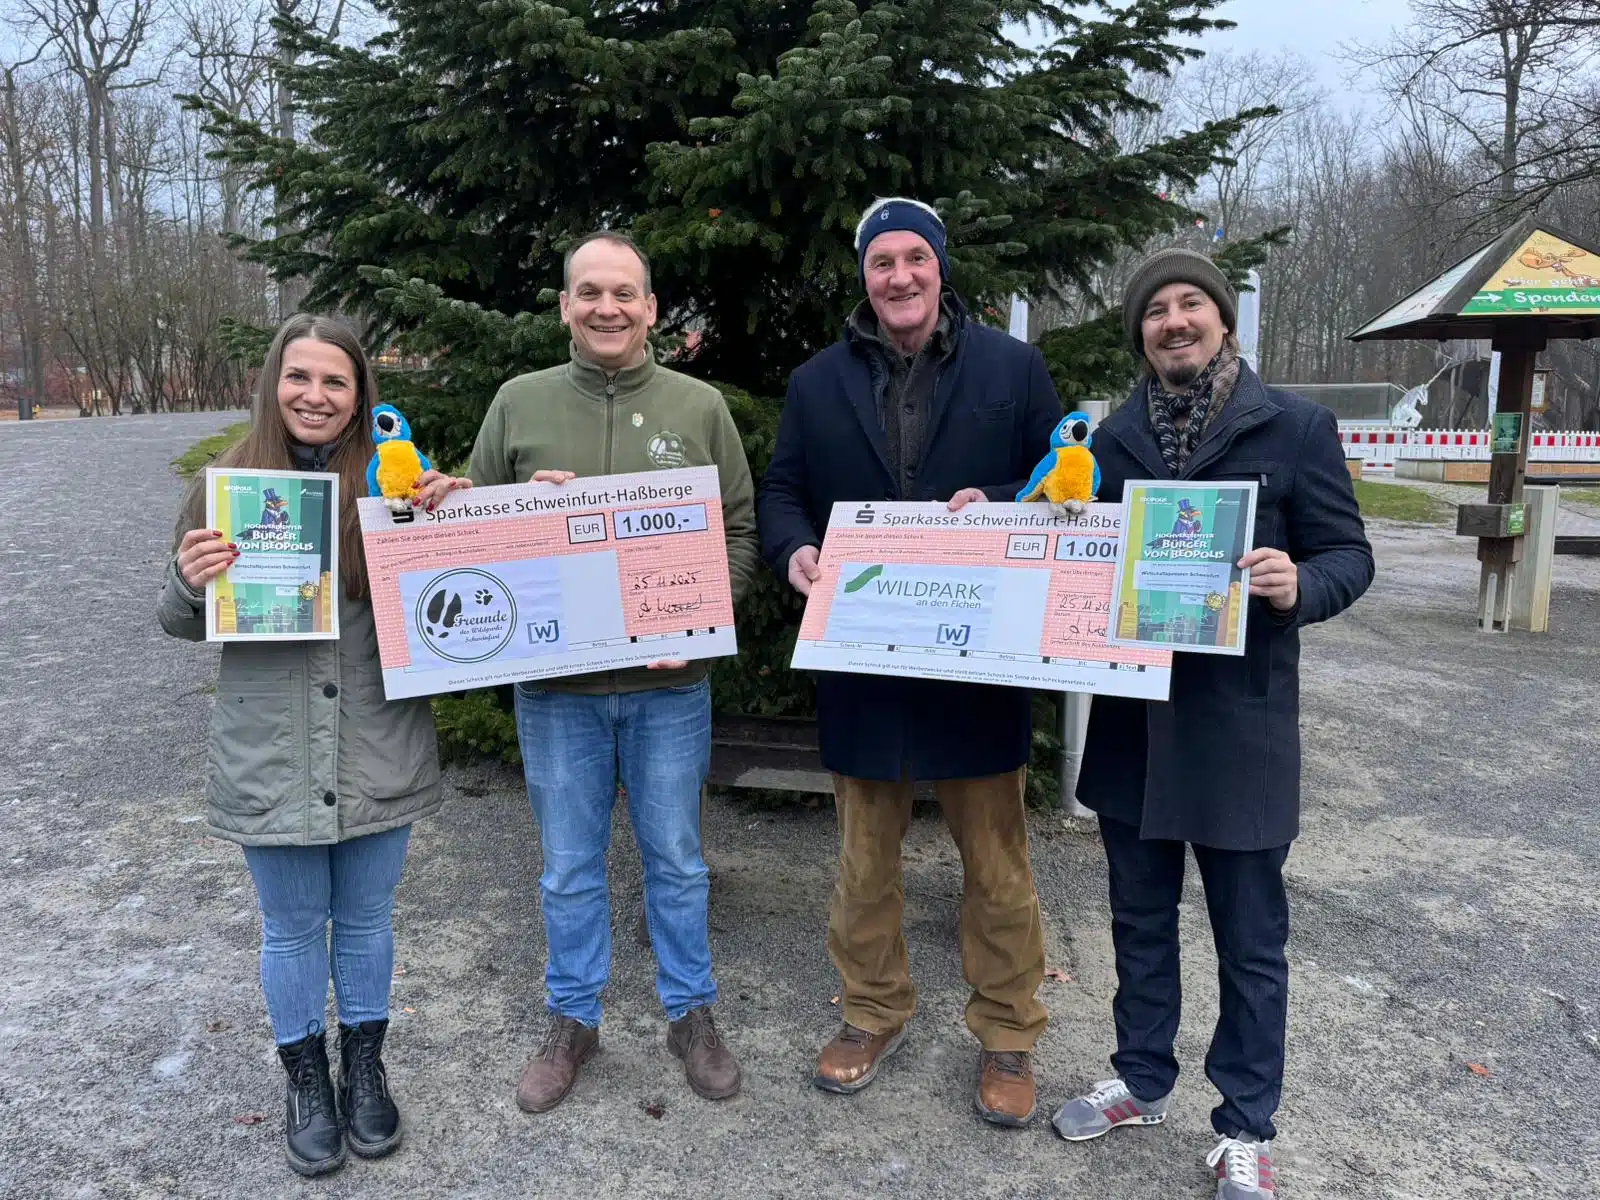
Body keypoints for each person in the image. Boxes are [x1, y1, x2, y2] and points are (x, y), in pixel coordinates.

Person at [1050, 249, 1374, 1198]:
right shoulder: (1111, 442)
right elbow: (1073, 551)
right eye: (1156, 311)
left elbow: (1350, 554)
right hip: (1134, 726)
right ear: (1141, 335)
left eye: (1191, 303)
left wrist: (1298, 583)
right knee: (1138, 921)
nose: (1174, 321)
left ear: (1222, 320)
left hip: (1241, 729)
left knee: (1250, 939)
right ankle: (1142, 1078)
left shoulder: (1295, 429)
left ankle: (1245, 1122)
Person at [759, 197, 1064, 1126]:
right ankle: (871, 1011)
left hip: (980, 659)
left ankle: (1008, 1029)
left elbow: (1064, 480)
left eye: (914, 259)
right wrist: (793, 550)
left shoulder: (1013, 368)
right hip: (862, 657)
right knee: (863, 861)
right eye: (881, 262)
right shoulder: (816, 382)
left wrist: (1001, 501)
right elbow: (783, 489)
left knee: (998, 865)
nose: (899, 276)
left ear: (940, 266)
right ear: (864, 275)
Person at [157, 314, 471, 1177]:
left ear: (361, 395)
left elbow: (458, 596)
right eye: (299, 376)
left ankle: (364, 1068)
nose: (315, 395)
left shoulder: (395, 483)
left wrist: (454, 517)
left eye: (336, 381)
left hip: (377, 737)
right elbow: (177, 619)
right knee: (293, 927)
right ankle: (306, 1079)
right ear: (273, 383)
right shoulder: (225, 484)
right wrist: (188, 583)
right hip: (271, 748)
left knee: (367, 919)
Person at [467, 231, 760, 1111]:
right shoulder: (517, 403)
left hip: (671, 690)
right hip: (558, 695)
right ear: (564, 306)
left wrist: (702, 621)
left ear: (651, 309)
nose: (607, 307)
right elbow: (471, 537)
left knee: (678, 861)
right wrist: (517, 514)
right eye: (589, 291)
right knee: (567, 867)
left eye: (624, 293)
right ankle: (574, 1019)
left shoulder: (699, 407)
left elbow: (739, 532)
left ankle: (690, 1014)